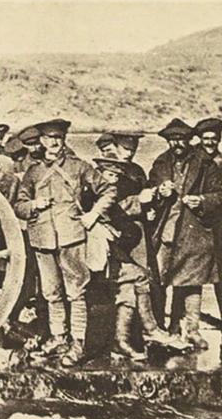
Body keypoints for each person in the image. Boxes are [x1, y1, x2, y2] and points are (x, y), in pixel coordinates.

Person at [14, 118, 116, 367]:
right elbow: (18, 205)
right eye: (48, 139)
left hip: (71, 236)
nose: (53, 144)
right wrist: (32, 206)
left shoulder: (79, 167)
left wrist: (93, 214)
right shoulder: (33, 171)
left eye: (57, 139)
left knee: (76, 292)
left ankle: (78, 343)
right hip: (42, 238)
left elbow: (109, 190)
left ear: (63, 140)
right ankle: (59, 338)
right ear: (41, 141)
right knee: (51, 293)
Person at [92, 157, 185, 361]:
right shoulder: (92, 192)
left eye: (116, 176)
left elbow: (120, 214)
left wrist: (150, 201)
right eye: (109, 175)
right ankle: (151, 329)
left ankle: (121, 342)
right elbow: (113, 212)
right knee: (140, 276)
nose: (113, 180)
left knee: (129, 288)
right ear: (98, 174)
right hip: (94, 255)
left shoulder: (105, 192)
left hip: (108, 253)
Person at [149, 118, 222, 349]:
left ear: (190, 139)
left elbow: (219, 194)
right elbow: (148, 189)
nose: (177, 143)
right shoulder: (161, 163)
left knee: (192, 282)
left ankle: (191, 330)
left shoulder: (205, 163)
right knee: (159, 279)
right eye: (172, 140)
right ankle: (161, 328)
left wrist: (201, 200)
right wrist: (159, 192)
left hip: (194, 231)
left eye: (180, 139)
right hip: (167, 231)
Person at [195, 118, 222, 326]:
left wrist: (205, 200)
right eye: (206, 138)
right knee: (187, 270)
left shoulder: (220, 161)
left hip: (218, 222)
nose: (210, 142)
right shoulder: (192, 159)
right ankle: (184, 321)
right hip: (193, 221)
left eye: (214, 139)